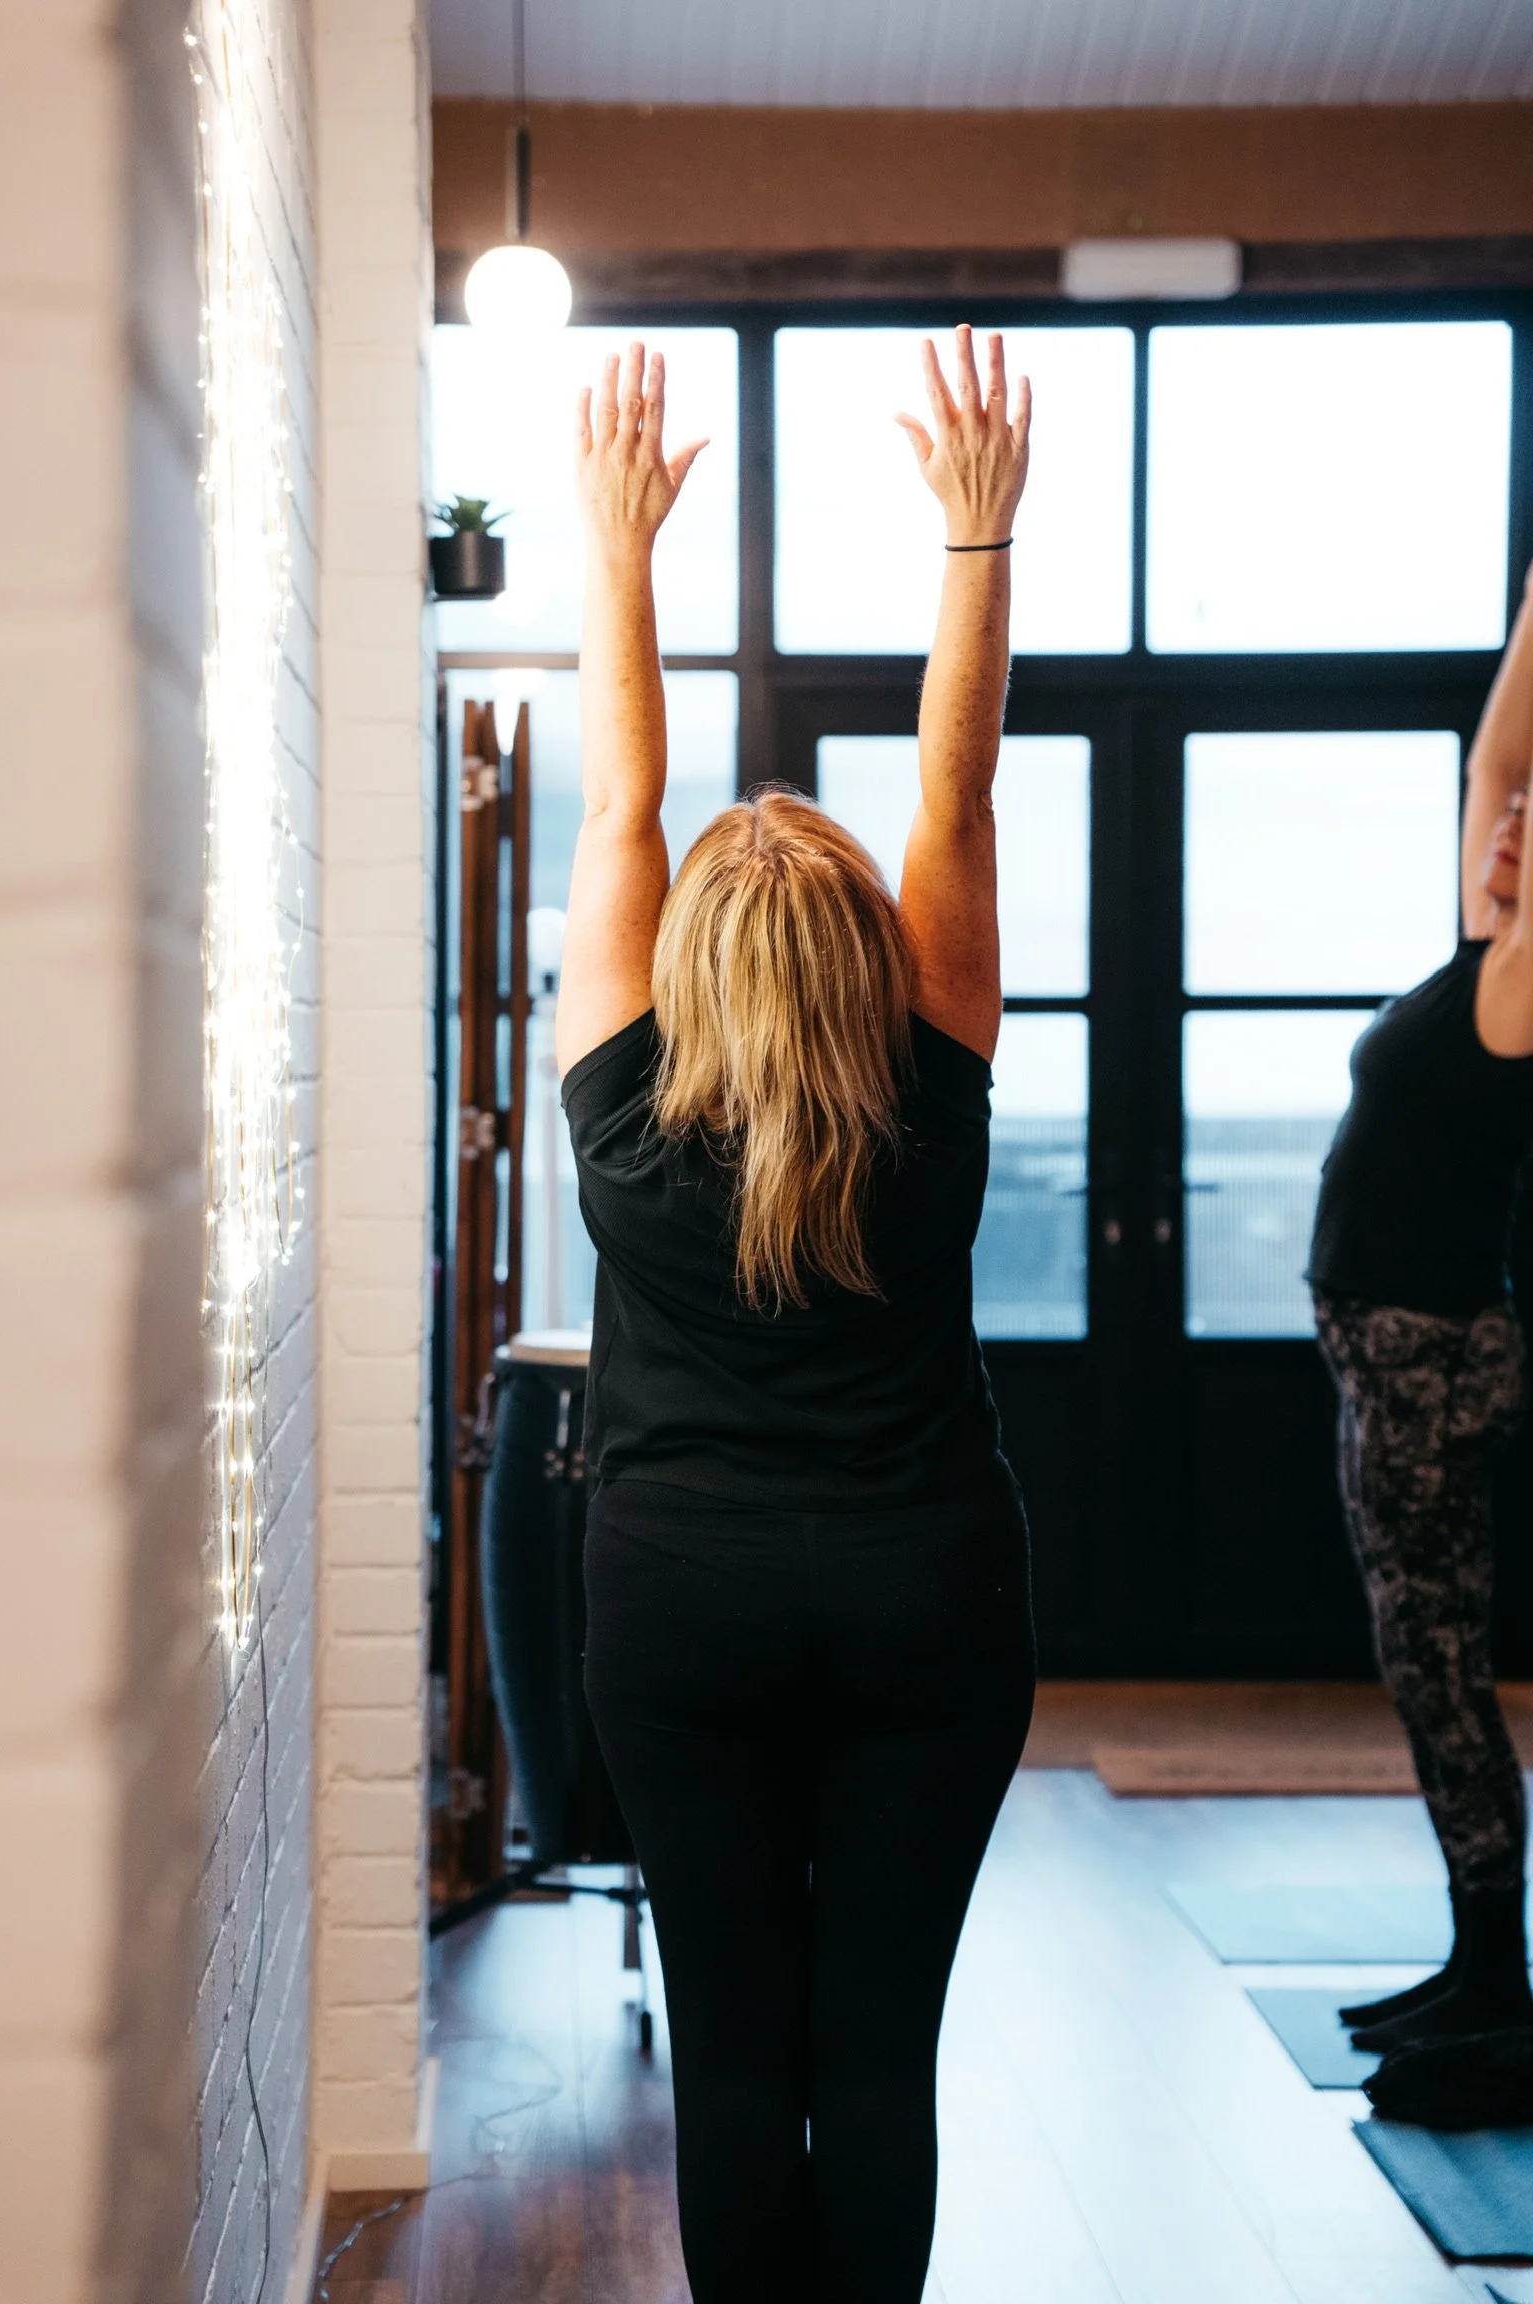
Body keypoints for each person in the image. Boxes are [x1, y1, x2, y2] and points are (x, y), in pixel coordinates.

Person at [558, 330, 1036, 2303]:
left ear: (682, 963)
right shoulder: (929, 1075)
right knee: (878, 2055)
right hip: (929, 1589)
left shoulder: (624, 1108)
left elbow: (617, 797)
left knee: (739, 2053)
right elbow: (959, 785)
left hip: (681, 1599)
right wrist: (974, 537)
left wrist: (615, 547)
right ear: (868, 945)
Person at [1309, 566, 1533, 2052]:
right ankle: (1476, 1966)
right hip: (1394, 1373)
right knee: (1426, 1671)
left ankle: (1492, 1989)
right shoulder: (1483, 958)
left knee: (1440, 1675)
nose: (1506, 832)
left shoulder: (1526, 981)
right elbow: (1493, 761)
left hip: (1432, 1375)